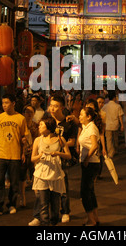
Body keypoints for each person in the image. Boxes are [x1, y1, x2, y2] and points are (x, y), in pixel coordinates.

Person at [0, 93, 28, 216]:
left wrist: (23, 152)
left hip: (15, 154)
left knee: (14, 183)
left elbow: (23, 137)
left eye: (7, 103)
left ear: (13, 103)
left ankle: (12, 204)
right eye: (3, 103)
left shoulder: (20, 118)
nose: (4, 105)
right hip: (1, 153)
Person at [31, 117, 71, 226]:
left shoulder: (60, 139)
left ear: (48, 126)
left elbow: (68, 155)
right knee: (43, 204)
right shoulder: (38, 140)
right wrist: (40, 156)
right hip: (42, 173)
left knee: (55, 204)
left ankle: (54, 223)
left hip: (55, 174)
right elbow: (32, 158)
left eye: (41, 125)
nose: (39, 127)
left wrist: (57, 153)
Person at [48, 95, 78, 223]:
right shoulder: (48, 122)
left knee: (63, 186)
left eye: (56, 106)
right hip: (49, 158)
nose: (52, 108)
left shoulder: (68, 123)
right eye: (51, 105)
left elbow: (72, 141)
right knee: (50, 187)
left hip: (62, 157)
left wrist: (61, 142)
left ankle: (65, 211)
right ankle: (53, 213)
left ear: (62, 107)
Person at [77, 106, 103, 226]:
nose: (80, 116)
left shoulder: (91, 128)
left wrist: (87, 158)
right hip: (90, 163)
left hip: (91, 163)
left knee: (85, 192)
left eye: (82, 114)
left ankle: (91, 220)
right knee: (90, 192)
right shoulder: (86, 126)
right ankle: (95, 218)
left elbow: (94, 145)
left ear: (89, 117)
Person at [20, 104, 39, 207]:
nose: (29, 114)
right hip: (22, 153)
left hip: (33, 153)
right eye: (27, 112)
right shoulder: (20, 124)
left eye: (31, 112)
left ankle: (38, 196)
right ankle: (22, 196)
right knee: (22, 175)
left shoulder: (36, 125)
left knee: (35, 174)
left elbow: (39, 138)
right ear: (23, 113)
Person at [101, 91, 124, 158]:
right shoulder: (117, 106)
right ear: (114, 98)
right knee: (115, 139)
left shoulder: (105, 106)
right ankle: (116, 150)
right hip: (115, 125)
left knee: (109, 140)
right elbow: (120, 116)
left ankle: (110, 153)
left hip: (107, 125)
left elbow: (102, 115)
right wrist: (122, 125)